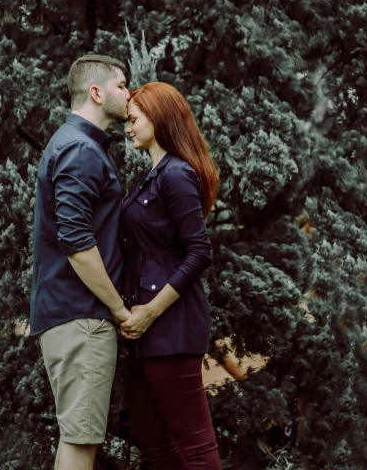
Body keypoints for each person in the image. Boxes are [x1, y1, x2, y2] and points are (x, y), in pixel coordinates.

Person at [30, 54, 132, 470]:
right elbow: (76, 242)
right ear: (96, 92)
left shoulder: (72, 144)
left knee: (76, 436)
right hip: (83, 317)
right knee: (82, 440)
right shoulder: (80, 149)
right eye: (122, 85)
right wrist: (119, 308)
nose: (129, 94)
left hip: (69, 314)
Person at [119, 82, 222, 470]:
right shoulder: (153, 174)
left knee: (195, 442)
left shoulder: (176, 175)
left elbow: (200, 253)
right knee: (152, 437)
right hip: (146, 329)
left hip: (171, 325)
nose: (128, 127)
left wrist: (149, 311)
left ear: (158, 118)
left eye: (133, 119)